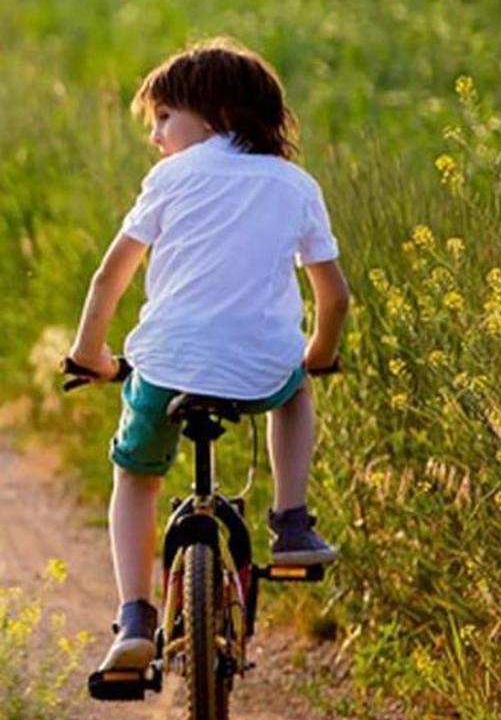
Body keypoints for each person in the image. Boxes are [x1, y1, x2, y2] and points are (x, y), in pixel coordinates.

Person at [67, 37, 349, 673]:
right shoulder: (296, 184)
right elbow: (333, 297)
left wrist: (90, 354)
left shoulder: (170, 179)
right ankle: (292, 520)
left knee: (136, 474)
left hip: (165, 366)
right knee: (296, 389)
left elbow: (109, 278)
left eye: (165, 117)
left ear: (216, 114)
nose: (156, 135)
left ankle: (135, 615)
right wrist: (318, 355)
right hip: (262, 368)